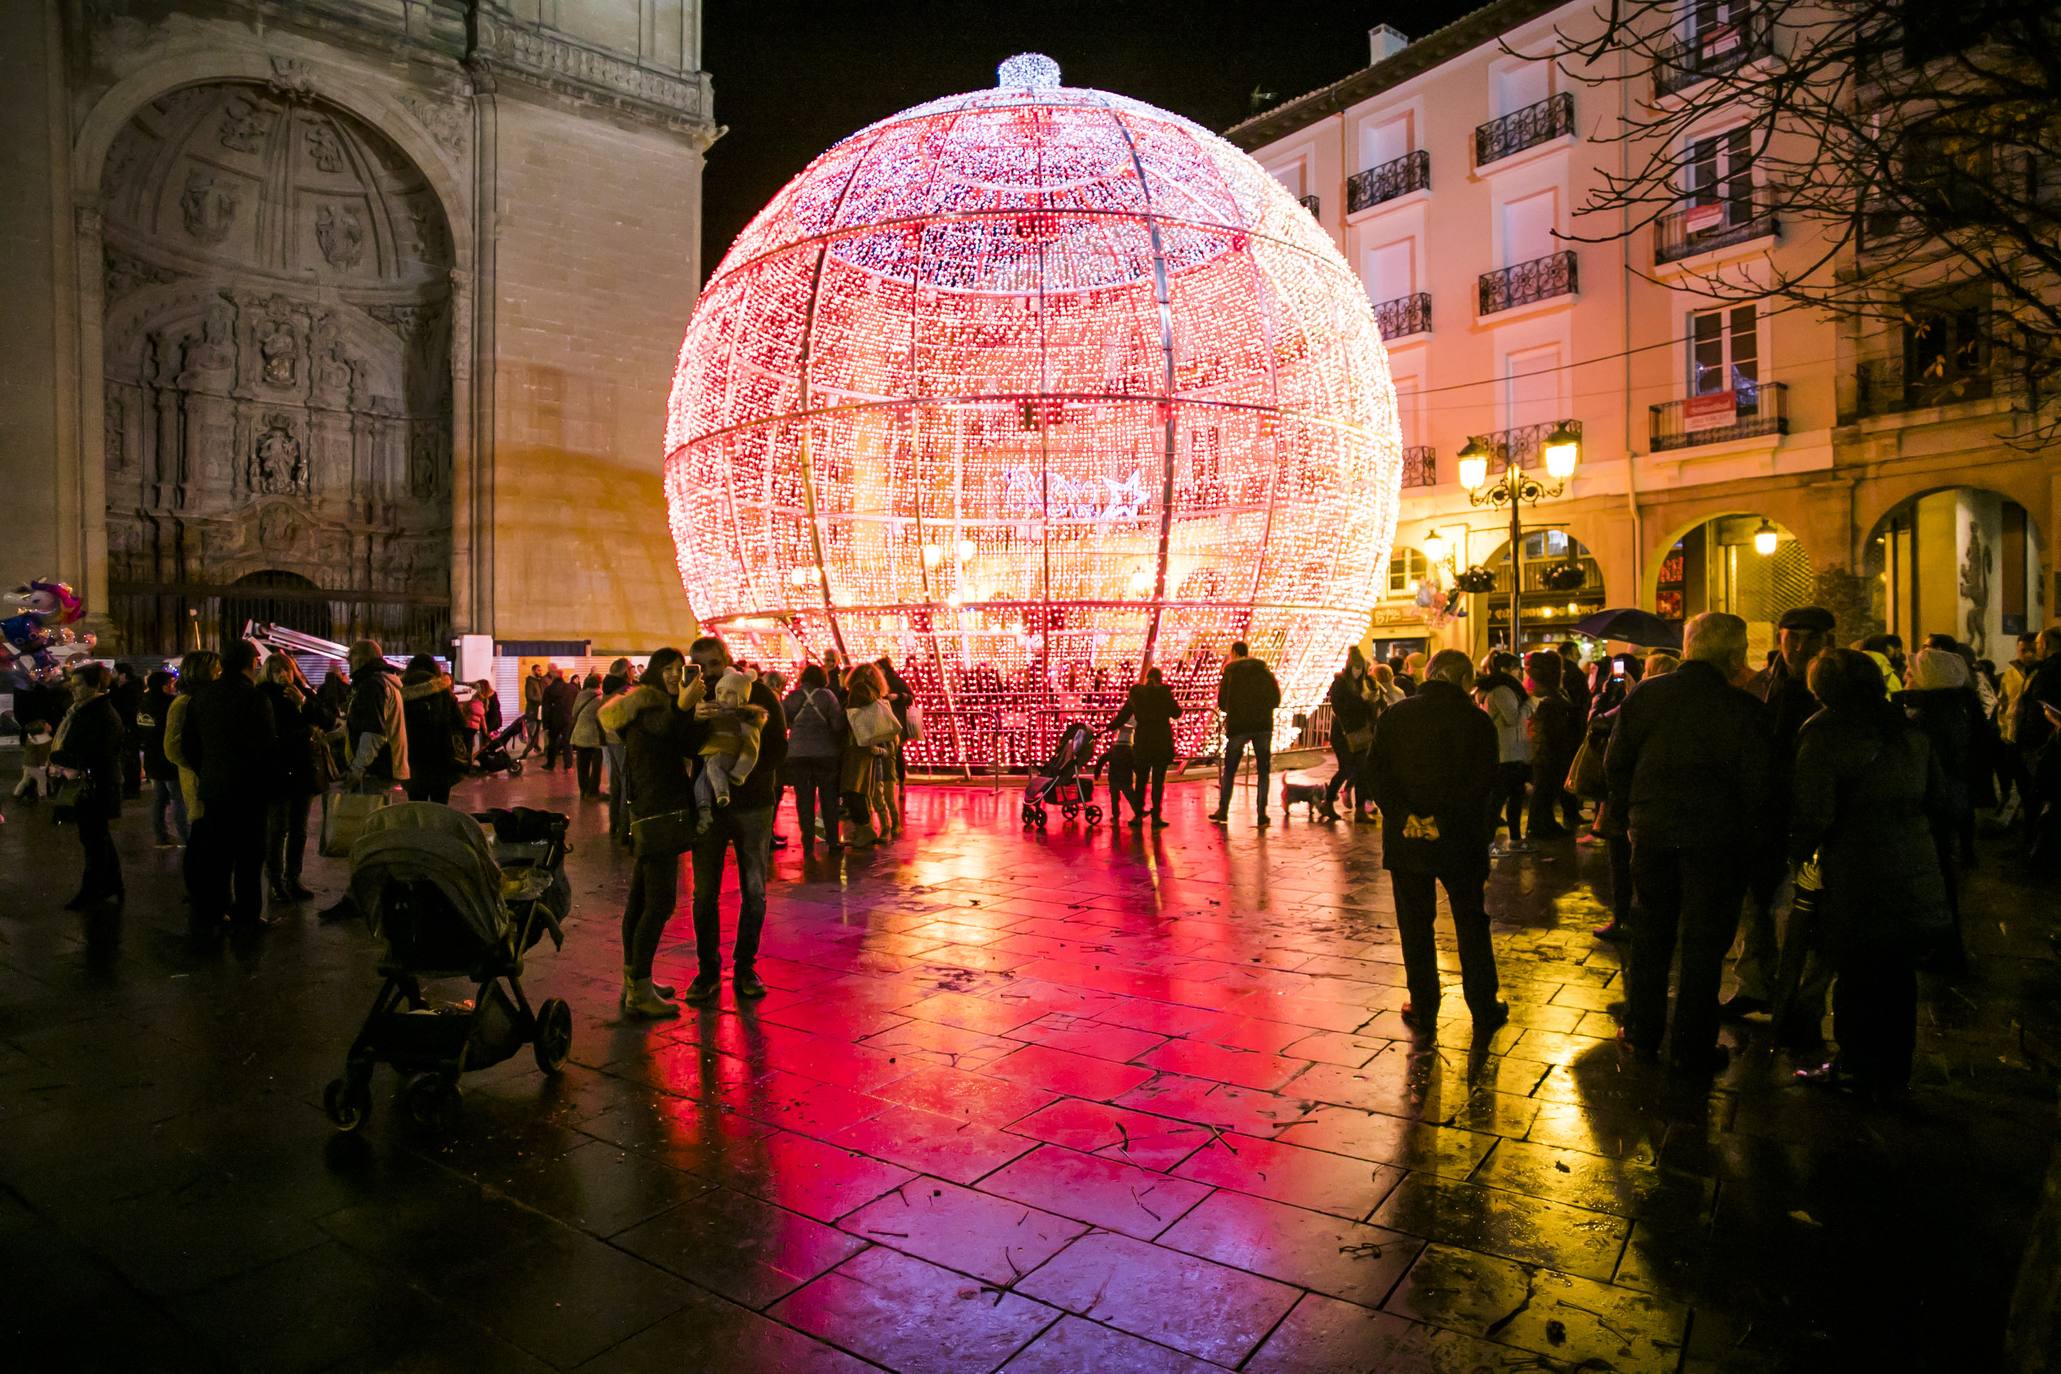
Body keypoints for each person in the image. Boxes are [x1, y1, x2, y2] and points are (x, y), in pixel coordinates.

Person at [1605, 611, 1772, 1074]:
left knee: (1651, 930)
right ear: (1736, 655)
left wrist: (1628, 812)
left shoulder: (1648, 695)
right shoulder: (1744, 708)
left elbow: (1616, 760)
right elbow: (1759, 785)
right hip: (1717, 839)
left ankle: (1641, 1031)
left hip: (1654, 830)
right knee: (1704, 939)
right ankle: (1692, 1044)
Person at [1791, 648, 1951, 1100]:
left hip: (1856, 866)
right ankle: (1894, 1067)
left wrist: (1800, 859)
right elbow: (1938, 798)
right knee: (1897, 975)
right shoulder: (1908, 729)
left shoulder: (1824, 733)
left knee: (1857, 971)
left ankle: (1857, 1065)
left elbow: (1813, 812)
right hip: (1912, 860)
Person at [1370, 649, 1507, 1034]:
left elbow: (1378, 775)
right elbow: (1483, 783)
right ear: (1461, 679)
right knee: (1471, 919)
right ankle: (1482, 1004)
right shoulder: (1477, 722)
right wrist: (1439, 819)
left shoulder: (1395, 716)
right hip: (1459, 839)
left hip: (1407, 838)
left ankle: (1424, 1002)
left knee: (1415, 922)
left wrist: (1407, 816)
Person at [1726, 605, 1835, 1023]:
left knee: (1801, 911)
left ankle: (1800, 999)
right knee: (1754, 905)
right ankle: (1753, 986)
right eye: (1792, 638)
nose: (1800, 647)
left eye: (1810, 639)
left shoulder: (1832, 688)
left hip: (1809, 824)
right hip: (1762, 819)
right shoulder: (1763, 686)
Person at [685, 635, 788, 1003]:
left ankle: (745, 966)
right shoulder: (693, 698)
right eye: (702, 667)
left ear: (727, 660)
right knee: (704, 893)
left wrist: (744, 773)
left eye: (715, 664)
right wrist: (694, 719)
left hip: (753, 804)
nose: (710, 674)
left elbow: (777, 747)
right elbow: (683, 747)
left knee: (755, 890)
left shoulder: (758, 693)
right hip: (710, 806)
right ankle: (708, 971)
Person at [600, 649, 698, 1018]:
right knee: (659, 903)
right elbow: (672, 736)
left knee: (640, 901)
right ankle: (638, 989)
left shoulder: (644, 705)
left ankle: (635, 981)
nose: (675, 675)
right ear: (656, 672)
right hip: (659, 811)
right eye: (669, 669)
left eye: (679, 669)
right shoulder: (655, 708)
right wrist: (685, 706)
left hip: (648, 809)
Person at [185, 640, 278, 928]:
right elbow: (266, 746)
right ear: (252, 663)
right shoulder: (255, 698)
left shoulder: (201, 696)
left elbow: (189, 744)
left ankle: (215, 910)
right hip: (249, 790)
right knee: (249, 857)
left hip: (214, 788)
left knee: (218, 855)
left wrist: (208, 770)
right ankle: (247, 915)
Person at [1899, 646, 1979, 964]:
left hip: (1936, 805)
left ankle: (1943, 946)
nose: (1905, 679)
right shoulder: (1955, 708)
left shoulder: (1930, 717)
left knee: (1936, 875)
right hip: (1949, 802)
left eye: (1910, 674)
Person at [49, 664, 125, 911]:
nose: (73, 688)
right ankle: (112, 883)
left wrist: (61, 758)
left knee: (93, 838)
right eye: (72, 682)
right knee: (97, 836)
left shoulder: (98, 713)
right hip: (90, 782)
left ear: (95, 686)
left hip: (94, 784)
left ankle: (92, 890)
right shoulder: (83, 710)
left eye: (79, 683)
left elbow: (97, 752)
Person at [259, 653, 327, 902]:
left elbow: (327, 718)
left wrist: (303, 703)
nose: (283, 675)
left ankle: (293, 878)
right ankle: (275, 879)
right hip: (276, 771)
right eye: (277, 670)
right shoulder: (262, 696)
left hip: (302, 771)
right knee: (278, 828)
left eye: (286, 670)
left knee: (299, 828)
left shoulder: (302, 693)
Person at [164, 651, 218, 917]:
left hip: (208, 779)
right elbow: (173, 748)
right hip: (198, 781)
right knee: (200, 839)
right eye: (215, 668)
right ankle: (199, 893)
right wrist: (201, 767)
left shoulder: (205, 699)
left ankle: (205, 893)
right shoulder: (184, 703)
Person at [686, 666, 769, 832]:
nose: (722, 698)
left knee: (714, 766)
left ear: (742, 699)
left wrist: (739, 772)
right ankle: (704, 812)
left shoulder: (745, 722)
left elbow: (750, 750)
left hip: (726, 754)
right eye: (720, 693)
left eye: (730, 694)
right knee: (701, 782)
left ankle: (722, 794)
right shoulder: (712, 713)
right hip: (709, 755)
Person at [1210, 641, 1281, 826]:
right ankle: (1262, 813)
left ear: (1233, 652)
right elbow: (1275, 698)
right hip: (1263, 725)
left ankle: (1223, 809)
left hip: (1239, 726)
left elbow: (1222, 702)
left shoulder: (1231, 673)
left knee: (1230, 769)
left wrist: (1236, 709)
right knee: (1263, 771)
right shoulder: (1264, 672)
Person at [783, 663, 847, 858]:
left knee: (804, 799)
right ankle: (833, 840)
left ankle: (807, 841)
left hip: (798, 754)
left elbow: (783, 720)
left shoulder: (793, 697)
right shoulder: (827, 697)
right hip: (825, 753)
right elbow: (837, 725)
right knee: (828, 798)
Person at [1474, 650, 1532, 854]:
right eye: (1517, 668)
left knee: (1507, 798)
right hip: (1507, 753)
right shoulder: (1502, 690)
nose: (1520, 672)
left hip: (1506, 752)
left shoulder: (1493, 689)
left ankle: (1509, 839)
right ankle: (1493, 842)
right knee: (1501, 800)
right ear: (1506, 669)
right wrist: (1529, 706)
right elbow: (1512, 718)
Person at [1111, 666, 1182, 826]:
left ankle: (1138, 814)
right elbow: (1177, 713)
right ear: (1160, 679)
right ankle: (1156, 816)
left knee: (1141, 780)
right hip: (1161, 740)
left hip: (1143, 740)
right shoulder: (1164, 693)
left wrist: (1108, 727)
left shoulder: (1138, 695)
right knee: (1158, 780)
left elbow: (1123, 715)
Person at [1523, 651, 1580, 839]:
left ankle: (1542, 824)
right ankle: (1540, 825)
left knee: (1546, 789)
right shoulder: (1551, 700)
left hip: (1547, 750)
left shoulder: (1548, 697)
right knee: (1545, 789)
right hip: (1549, 751)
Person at [842, 662, 901, 842]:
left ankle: (875, 828)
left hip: (864, 747)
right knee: (881, 792)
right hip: (879, 748)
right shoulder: (878, 695)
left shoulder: (859, 690)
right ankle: (889, 825)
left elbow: (855, 719)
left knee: (865, 791)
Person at [399, 654, 465, 805]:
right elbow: (459, 722)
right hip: (442, 756)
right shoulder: (443, 690)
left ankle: (418, 828)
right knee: (440, 805)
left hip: (411, 758)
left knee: (416, 805)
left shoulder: (400, 690)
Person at [1320, 647, 1376, 823]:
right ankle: (1328, 802)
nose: (1358, 671)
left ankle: (1360, 810)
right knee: (1346, 768)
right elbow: (1339, 707)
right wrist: (1361, 700)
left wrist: (1370, 703)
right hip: (1343, 733)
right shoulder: (1340, 683)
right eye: (1356, 667)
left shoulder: (1367, 682)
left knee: (1363, 770)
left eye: (1361, 668)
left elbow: (1370, 711)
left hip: (1361, 732)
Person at [110, 662, 144, 799]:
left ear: (122, 675)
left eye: (115, 672)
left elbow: (122, 707)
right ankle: (132, 787)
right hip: (130, 727)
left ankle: (131, 788)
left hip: (128, 728)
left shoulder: (127, 691)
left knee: (129, 759)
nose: (113, 675)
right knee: (130, 758)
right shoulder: (133, 688)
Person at [570, 672, 606, 798]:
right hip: (594, 736)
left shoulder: (580, 695)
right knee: (596, 765)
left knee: (582, 765)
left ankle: (583, 790)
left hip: (580, 734)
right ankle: (593, 790)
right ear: (599, 684)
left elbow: (574, 713)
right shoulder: (601, 698)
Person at [540, 667, 576, 771]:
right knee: (567, 742)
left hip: (554, 720)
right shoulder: (572, 688)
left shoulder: (549, 689)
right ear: (562, 676)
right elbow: (576, 703)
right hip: (568, 718)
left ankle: (550, 764)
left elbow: (545, 708)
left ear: (553, 677)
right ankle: (568, 766)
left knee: (552, 742)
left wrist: (545, 724)